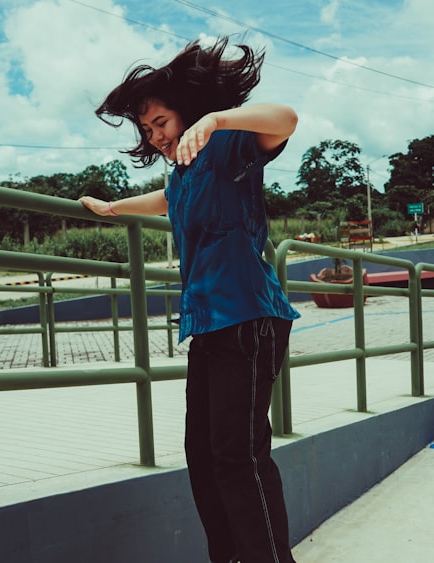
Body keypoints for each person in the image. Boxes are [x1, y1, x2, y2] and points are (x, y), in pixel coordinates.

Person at [79, 37, 300, 563]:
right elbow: (166, 199)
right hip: (209, 326)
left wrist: (220, 120)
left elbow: (287, 119)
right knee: (202, 457)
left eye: (162, 122)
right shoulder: (184, 171)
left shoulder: (228, 145)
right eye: (147, 129)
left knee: (239, 457)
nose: (155, 135)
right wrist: (111, 210)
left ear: (188, 111)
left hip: (248, 317)